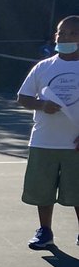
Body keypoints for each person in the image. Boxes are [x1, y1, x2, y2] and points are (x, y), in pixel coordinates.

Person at [17, 15, 79, 249]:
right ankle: (45, 232)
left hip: (74, 144)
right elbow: (22, 97)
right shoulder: (43, 67)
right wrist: (42, 105)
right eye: (61, 33)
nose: (65, 37)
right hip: (44, 141)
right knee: (42, 191)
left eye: (72, 33)